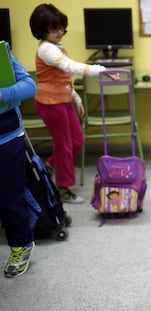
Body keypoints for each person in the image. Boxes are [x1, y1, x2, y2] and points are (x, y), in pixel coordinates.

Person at [29, 3, 110, 204]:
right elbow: (68, 66)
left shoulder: (57, 46)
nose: (59, 32)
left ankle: (49, 167)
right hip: (51, 103)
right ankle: (63, 189)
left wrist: (76, 97)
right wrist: (97, 69)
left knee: (77, 141)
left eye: (61, 27)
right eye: (53, 28)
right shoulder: (46, 49)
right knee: (64, 146)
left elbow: (62, 76)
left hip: (63, 100)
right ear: (42, 29)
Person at [0, 42, 37, 278]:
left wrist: (3, 94)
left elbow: (29, 86)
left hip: (6, 138)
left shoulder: (2, 53)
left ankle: (21, 245)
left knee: (9, 198)